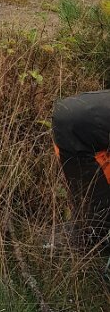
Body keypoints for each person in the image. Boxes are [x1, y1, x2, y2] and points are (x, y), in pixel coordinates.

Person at [52, 90, 110, 248]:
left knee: (90, 202)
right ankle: (88, 236)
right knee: (97, 222)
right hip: (81, 130)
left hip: (73, 119)